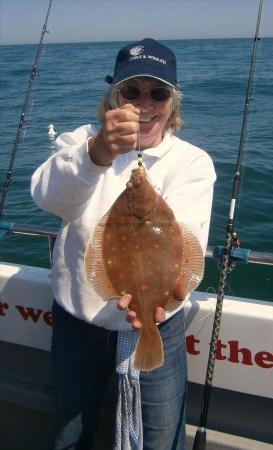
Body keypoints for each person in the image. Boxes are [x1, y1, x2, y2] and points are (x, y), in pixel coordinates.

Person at [31, 38, 216, 450]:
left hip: (158, 322)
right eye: (132, 91)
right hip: (79, 324)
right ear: (114, 97)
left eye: (158, 92)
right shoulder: (80, 143)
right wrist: (97, 153)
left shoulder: (192, 163)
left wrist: (159, 303)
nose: (144, 103)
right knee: (70, 433)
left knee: (159, 438)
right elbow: (48, 198)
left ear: (173, 103)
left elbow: (184, 238)